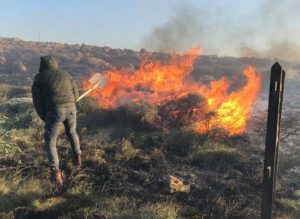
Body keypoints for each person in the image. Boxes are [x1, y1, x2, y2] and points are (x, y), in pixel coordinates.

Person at [32, 56, 81, 186]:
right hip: (71, 108)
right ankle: (78, 158)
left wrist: (45, 117)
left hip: (54, 111)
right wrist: (72, 102)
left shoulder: (39, 79)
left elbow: (37, 102)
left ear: (42, 66)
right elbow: (76, 94)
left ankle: (56, 175)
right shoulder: (66, 74)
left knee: (50, 141)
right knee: (72, 131)